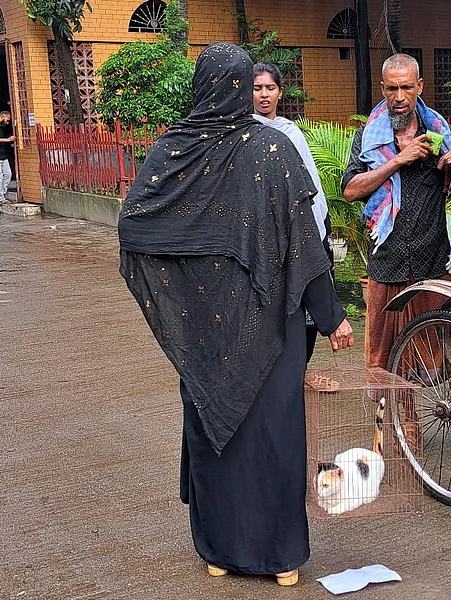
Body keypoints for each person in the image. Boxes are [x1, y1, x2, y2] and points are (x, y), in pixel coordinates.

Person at [118, 42, 354, 587]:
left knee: (215, 429)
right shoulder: (270, 149)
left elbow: (137, 226)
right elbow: (305, 244)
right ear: (242, 87)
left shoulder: (173, 150)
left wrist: (191, 273)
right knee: (273, 433)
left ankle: (219, 552)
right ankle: (281, 559)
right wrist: (330, 314)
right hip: (271, 322)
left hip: (205, 327)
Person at [341, 53, 451, 370]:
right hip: (388, 264)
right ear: (382, 88)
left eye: (405, 87)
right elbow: (350, 190)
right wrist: (397, 161)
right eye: (391, 89)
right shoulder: (369, 138)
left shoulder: (440, 130)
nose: (399, 97)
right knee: (383, 357)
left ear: (419, 86)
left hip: (434, 259)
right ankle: (398, 420)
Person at [252, 61, 333, 364]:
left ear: (279, 92)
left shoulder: (290, 132)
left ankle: (297, 373)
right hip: (263, 241)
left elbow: (309, 184)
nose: (263, 95)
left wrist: (316, 233)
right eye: (257, 88)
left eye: (269, 88)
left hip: (295, 237)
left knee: (301, 317)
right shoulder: (243, 133)